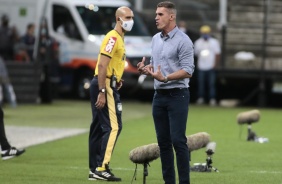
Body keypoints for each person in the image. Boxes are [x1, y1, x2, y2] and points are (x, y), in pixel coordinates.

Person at [137, 1, 194, 184]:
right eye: (156, 14)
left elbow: (188, 70)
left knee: (178, 141)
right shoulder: (155, 39)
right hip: (159, 96)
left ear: (171, 16)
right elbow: (157, 66)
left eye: (160, 14)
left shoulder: (184, 40)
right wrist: (147, 69)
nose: (156, 17)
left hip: (177, 95)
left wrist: (166, 78)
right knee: (163, 144)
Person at [88, 6, 134, 182]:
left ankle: (94, 169)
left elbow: (111, 64)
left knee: (98, 128)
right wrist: (102, 90)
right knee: (114, 127)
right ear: (118, 19)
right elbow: (101, 65)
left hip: (108, 83)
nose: (131, 20)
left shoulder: (119, 38)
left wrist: (117, 78)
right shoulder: (113, 37)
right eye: (128, 17)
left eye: (131, 17)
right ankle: (101, 167)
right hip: (104, 85)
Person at [194, 25, 221, 106]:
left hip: (211, 66)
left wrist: (215, 64)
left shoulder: (214, 42)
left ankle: (212, 98)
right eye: (203, 32)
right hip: (201, 66)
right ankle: (201, 98)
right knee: (201, 83)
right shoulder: (198, 42)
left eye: (206, 33)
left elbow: (217, 54)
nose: (205, 34)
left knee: (211, 84)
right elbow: (196, 54)